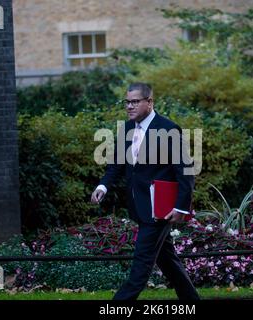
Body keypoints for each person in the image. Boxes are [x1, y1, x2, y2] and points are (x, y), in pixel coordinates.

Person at [90, 82, 200, 300]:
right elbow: (117, 164)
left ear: (149, 102)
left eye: (135, 102)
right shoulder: (128, 128)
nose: (129, 106)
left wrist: (180, 207)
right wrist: (103, 185)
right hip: (139, 207)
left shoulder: (169, 129)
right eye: (127, 102)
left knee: (139, 269)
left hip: (160, 210)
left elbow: (185, 172)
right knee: (168, 261)